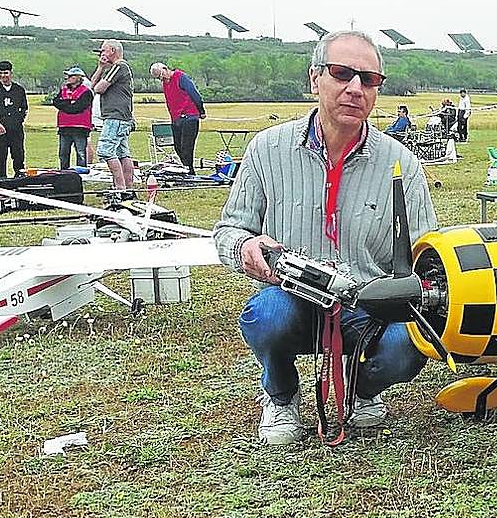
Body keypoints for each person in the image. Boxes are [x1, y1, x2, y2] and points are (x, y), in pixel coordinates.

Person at [214, 30, 437, 445]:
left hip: (367, 306)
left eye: (368, 80)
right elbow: (229, 230)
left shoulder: (402, 163)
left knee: (412, 341)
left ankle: (361, 390)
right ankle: (281, 396)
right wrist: (244, 248)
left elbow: (427, 252)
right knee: (266, 316)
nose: (355, 88)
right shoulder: (266, 149)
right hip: (291, 298)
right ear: (315, 79)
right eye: (341, 74)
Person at [89, 39, 135, 192]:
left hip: (116, 117)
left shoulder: (119, 66)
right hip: (121, 117)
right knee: (122, 153)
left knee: (105, 151)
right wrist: (100, 67)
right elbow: (92, 85)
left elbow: (99, 88)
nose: (102, 54)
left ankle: (120, 188)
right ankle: (128, 188)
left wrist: (100, 80)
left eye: (104, 50)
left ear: (113, 51)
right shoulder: (112, 69)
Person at [150, 62, 206, 173]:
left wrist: (201, 110)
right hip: (176, 119)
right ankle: (186, 170)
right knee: (178, 147)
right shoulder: (165, 84)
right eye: (160, 79)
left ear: (165, 69)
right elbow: (170, 102)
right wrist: (173, 119)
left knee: (186, 147)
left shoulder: (181, 77)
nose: (163, 80)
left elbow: (194, 93)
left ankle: (189, 171)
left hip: (189, 117)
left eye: (162, 76)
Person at [0, 60, 28, 179]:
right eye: (0, 73)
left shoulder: (19, 90)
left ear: (11, 73)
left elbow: (24, 108)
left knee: (18, 154)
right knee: (0, 156)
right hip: (0, 129)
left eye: (5, 73)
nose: (3, 76)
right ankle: (1, 179)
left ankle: (19, 177)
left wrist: (18, 121)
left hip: (16, 129)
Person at [50, 66, 94, 169]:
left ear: (79, 77)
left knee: (81, 153)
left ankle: (81, 175)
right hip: (64, 127)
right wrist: (70, 103)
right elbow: (56, 102)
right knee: (63, 153)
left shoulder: (86, 92)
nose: (68, 78)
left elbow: (78, 107)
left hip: (80, 127)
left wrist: (65, 105)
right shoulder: (63, 90)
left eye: (71, 76)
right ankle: (64, 174)